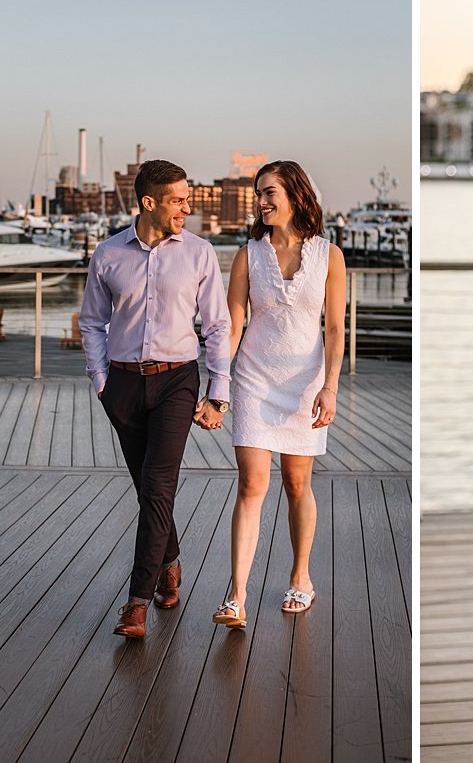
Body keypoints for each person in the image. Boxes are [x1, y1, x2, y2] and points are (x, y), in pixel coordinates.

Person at [79, 159, 232, 639]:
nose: (188, 207)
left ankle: (136, 601)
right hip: (122, 386)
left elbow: (217, 326)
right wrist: (102, 381)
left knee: (159, 484)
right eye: (179, 200)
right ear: (150, 203)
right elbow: (91, 322)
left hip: (177, 383)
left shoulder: (200, 253)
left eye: (189, 198)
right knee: (148, 487)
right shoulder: (107, 255)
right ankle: (169, 561)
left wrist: (218, 391)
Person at [211, 160, 346, 629]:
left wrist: (330, 387)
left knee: (296, 485)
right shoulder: (248, 255)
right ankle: (236, 594)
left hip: (306, 384)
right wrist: (216, 384)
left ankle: (301, 577)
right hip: (254, 379)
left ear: (295, 193)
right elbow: (232, 327)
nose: (262, 202)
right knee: (251, 484)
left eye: (270, 192)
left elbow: (333, 330)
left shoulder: (329, 255)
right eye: (258, 194)